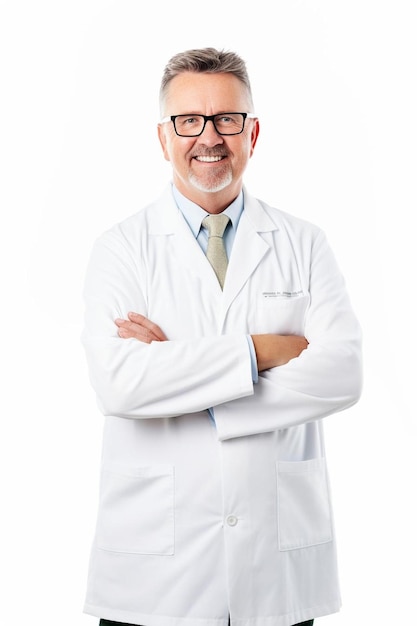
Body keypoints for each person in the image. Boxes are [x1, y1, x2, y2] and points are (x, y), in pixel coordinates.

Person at [81, 47, 362, 626]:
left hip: (275, 568)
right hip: (154, 577)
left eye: (226, 120)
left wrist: (178, 373)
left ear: (252, 133)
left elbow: (343, 371)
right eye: (189, 121)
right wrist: (260, 352)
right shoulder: (121, 249)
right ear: (164, 138)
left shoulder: (304, 244)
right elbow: (119, 385)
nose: (208, 137)